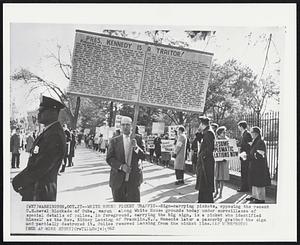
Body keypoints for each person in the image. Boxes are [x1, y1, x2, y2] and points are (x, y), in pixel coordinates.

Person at [12, 96, 66, 201]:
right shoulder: (49, 132)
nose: (38, 114)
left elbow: (41, 166)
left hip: (41, 192)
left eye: (42, 111)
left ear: (53, 112)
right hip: (36, 190)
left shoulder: (54, 135)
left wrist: (18, 181)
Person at [106, 116, 145, 202]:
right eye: (123, 125)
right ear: (120, 126)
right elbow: (109, 159)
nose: (125, 127)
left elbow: (144, 156)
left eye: (127, 125)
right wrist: (121, 166)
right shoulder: (114, 141)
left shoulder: (138, 139)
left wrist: (136, 147)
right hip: (117, 180)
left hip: (133, 179)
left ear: (132, 126)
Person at [246, 127, 271, 203]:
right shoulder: (256, 141)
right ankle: (255, 196)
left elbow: (260, 154)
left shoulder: (260, 141)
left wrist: (250, 156)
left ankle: (260, 198)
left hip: (259, 166)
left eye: (251, 132)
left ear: (255, 133)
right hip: (255, 165)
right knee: (254, 181)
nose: (250, 134)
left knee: (259, 183)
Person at [195, 116, 216, 203]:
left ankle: (206, 200)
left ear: (202, 124)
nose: (199, 125)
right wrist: (198, 133)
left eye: (200, 123)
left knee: (205, 181)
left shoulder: (209, 132)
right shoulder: (206, 131)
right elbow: (201, 141)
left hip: (206, 162)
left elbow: (210, 147)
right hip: (204, 161)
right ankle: (202, 199)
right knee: (203, 181)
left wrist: (202, 155)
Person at [213, 126, 230, 198]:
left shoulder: (227, 140)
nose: (225, 133)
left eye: (225, 132)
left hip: (224, 161)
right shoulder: (215, 140)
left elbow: (230, 150)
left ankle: (221, 193)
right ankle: (216, 191)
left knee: (222, 177)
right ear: (219, 133)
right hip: (217, 160)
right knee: (216, 177)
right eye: (223, 132)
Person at [237, 121, 252, 192]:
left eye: (239, 126)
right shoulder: (244, 134)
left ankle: (244, 187)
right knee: (243, 172)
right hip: (243, 156)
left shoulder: (247, 134)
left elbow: (250, 145)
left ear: (241, 126)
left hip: (245, 156)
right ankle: (244, 187)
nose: (238, 128)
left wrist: (246, 155)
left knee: (245, 172)